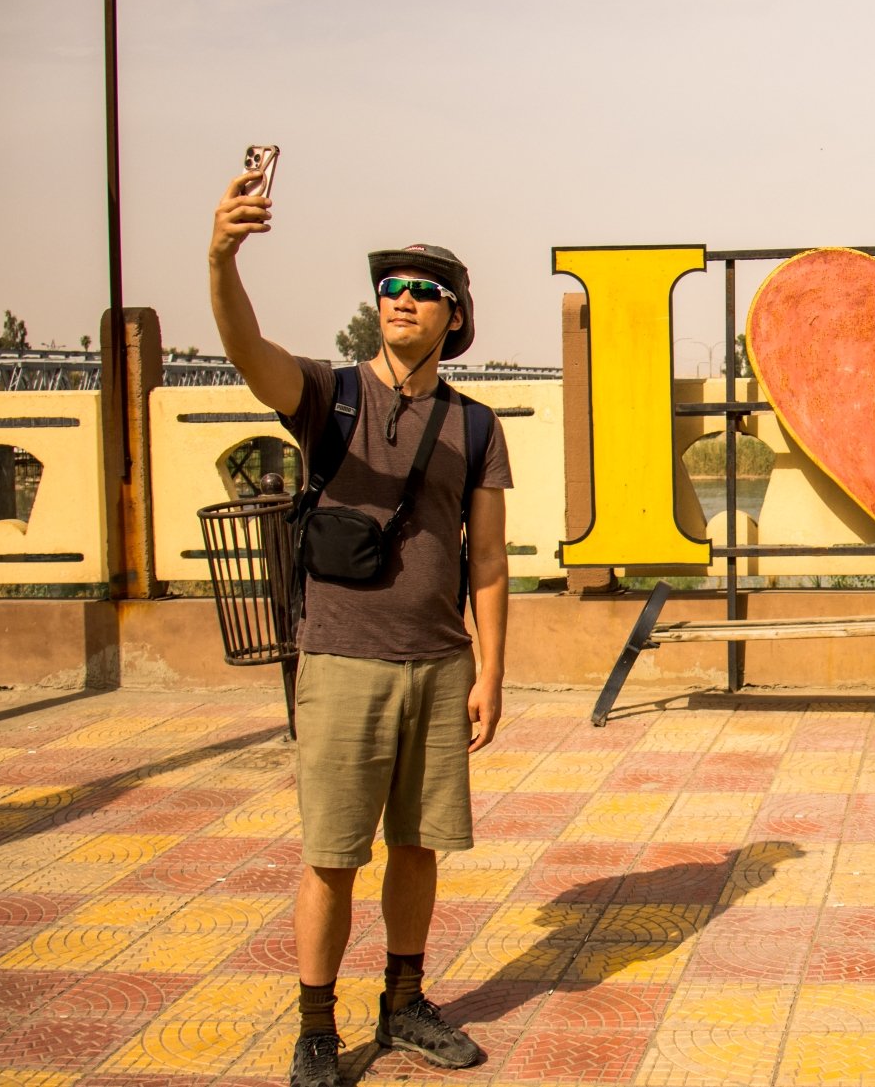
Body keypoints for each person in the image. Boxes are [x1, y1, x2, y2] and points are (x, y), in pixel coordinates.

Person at [208, 168, 512, 1087]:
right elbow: (244, 347)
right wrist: (221, 257)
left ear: (454, 317)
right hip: (342, 661)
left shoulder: (477, 425)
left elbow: (488, 563)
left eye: (425, 292)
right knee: (332, 856)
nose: (404, 301)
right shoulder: (327, 395)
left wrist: (491, 673)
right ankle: (315, 1025)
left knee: (418, 846)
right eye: (391, 288)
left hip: (436, 664)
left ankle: (405, 1001)